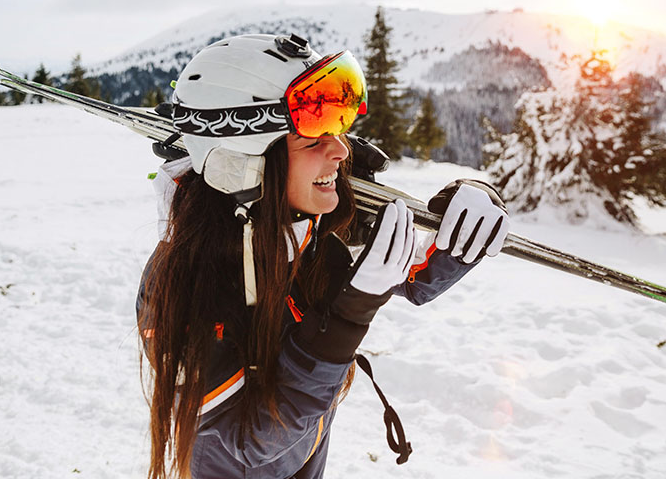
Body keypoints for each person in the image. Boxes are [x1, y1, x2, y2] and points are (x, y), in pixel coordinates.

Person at [136, 33, 510, 479]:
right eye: (313, 141)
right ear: (244, 161)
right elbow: (247, 440)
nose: (342, 150)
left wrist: (462, 224)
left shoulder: (302, 223)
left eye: (337, 131)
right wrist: (348, 316)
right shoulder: (180, 285)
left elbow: (412, 271)